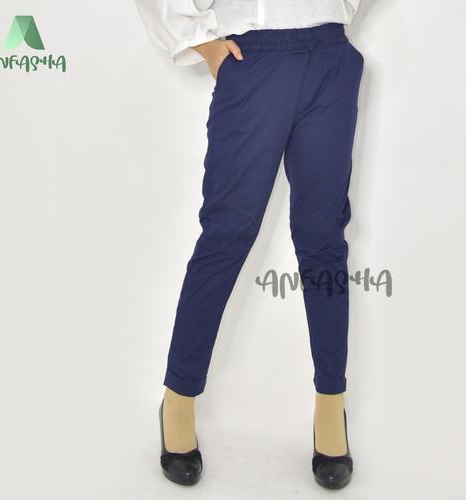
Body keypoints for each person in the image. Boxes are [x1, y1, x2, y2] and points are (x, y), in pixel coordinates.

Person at [136, 0, 364, 489]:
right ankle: (178, 398)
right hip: (254, 56)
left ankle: (331, 405)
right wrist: (203, 44)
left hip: (331, 54)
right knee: (227, 234)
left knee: (324, 239)